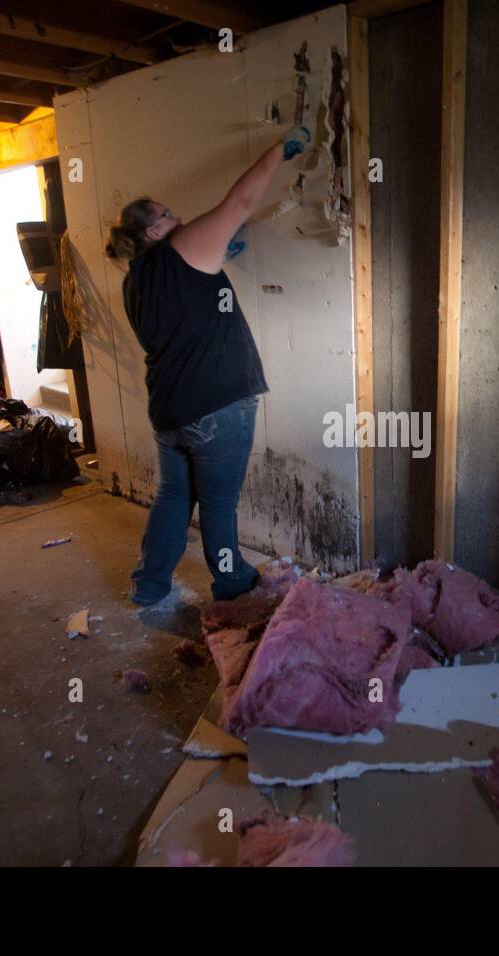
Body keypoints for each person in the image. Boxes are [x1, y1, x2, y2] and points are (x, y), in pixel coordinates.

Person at [105, 125, 311, 618]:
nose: (177, 216)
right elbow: (239, 204)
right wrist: (280, 149)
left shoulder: (136, 280)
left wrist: (217, 260)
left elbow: (185, 308)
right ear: (153, 231)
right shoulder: (181, 250)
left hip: (171, 411)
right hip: (217, 408)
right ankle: (233, 583)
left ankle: (150, 584)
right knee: (218, 505)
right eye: (167, 214)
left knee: (175, 495)